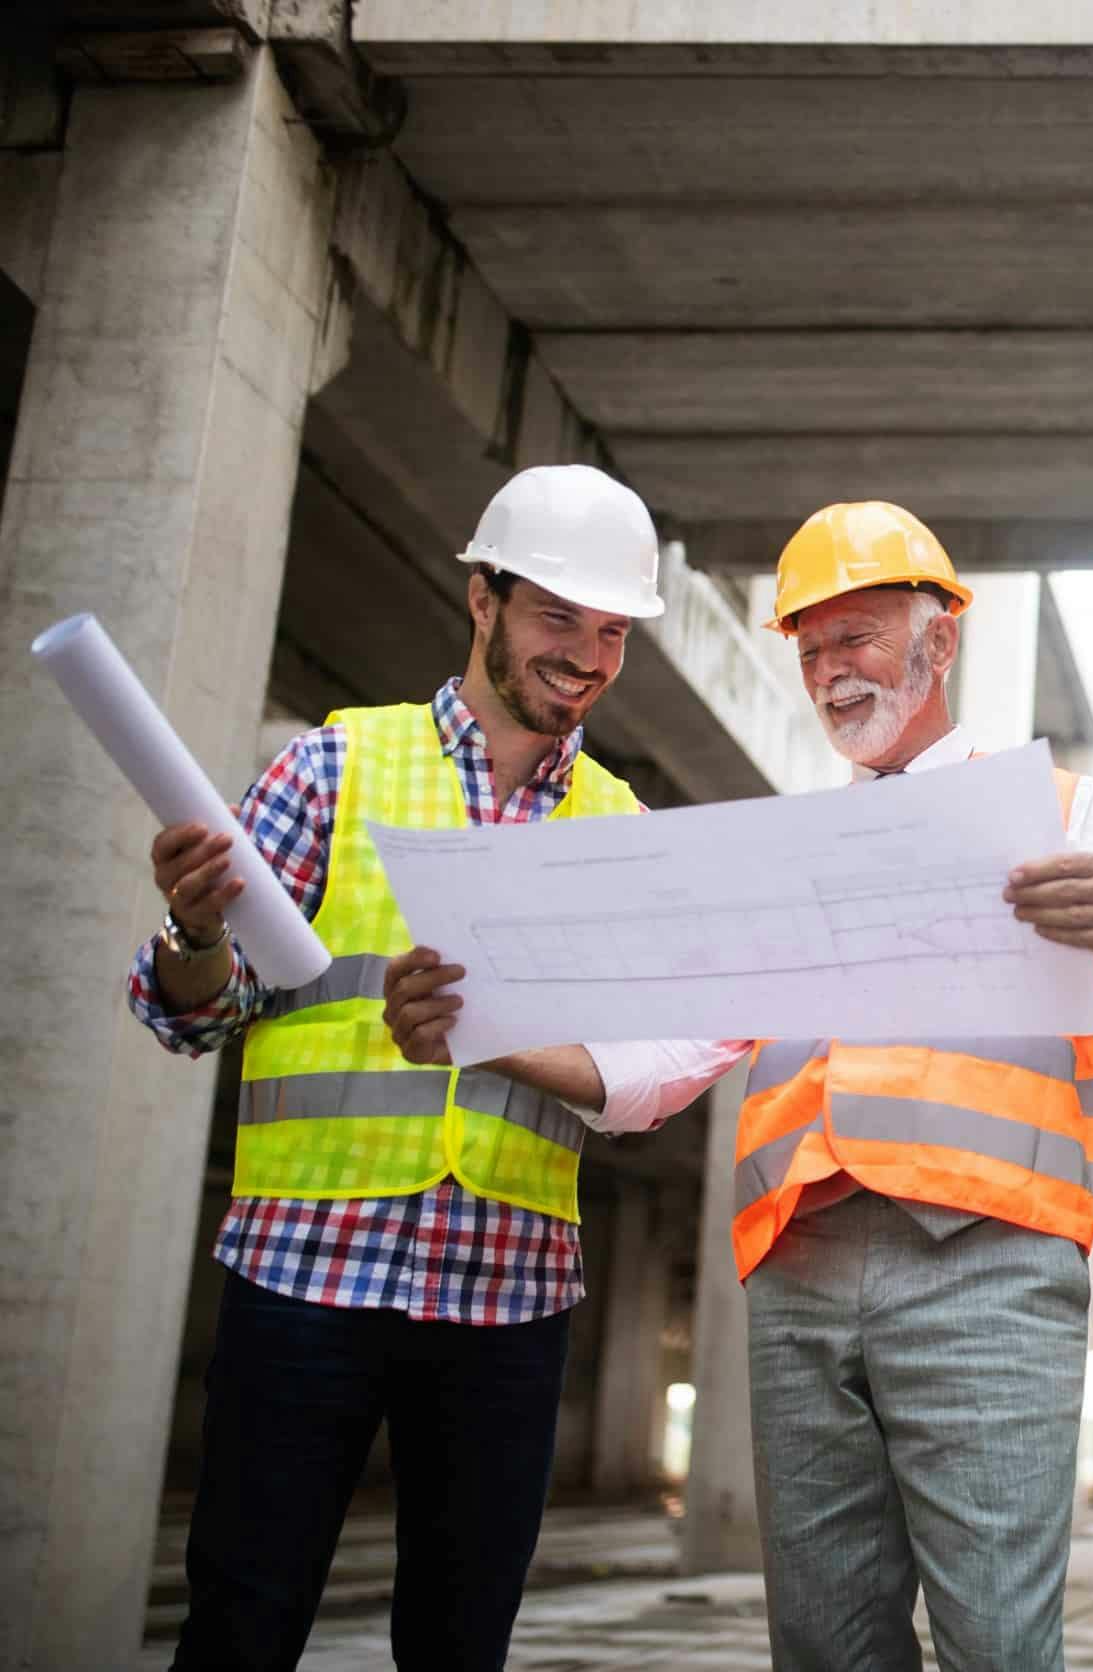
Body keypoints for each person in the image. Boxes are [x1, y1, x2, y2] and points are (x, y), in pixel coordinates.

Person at [380, 500, 1093, 1672]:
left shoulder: (1062, 814)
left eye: (858, 637)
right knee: (822, 1643)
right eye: (811, 649)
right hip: (799, 1274)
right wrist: (491, 1033)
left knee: (998, 1640)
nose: (830, 672)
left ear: (941, 641)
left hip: (984, 1263)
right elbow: (658, 1061)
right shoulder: (785, 851)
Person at [130, 464, 669, 1669]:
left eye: (613, 631)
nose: (586, 655)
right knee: (241, 1626)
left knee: (460, 1645)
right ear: (481, 599)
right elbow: (184, 1017)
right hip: (304, 1274)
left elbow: (640, 1072)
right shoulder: (334, 770)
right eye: (556, 617)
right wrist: (197, 936)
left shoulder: (621, 832)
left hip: (508, 1296)